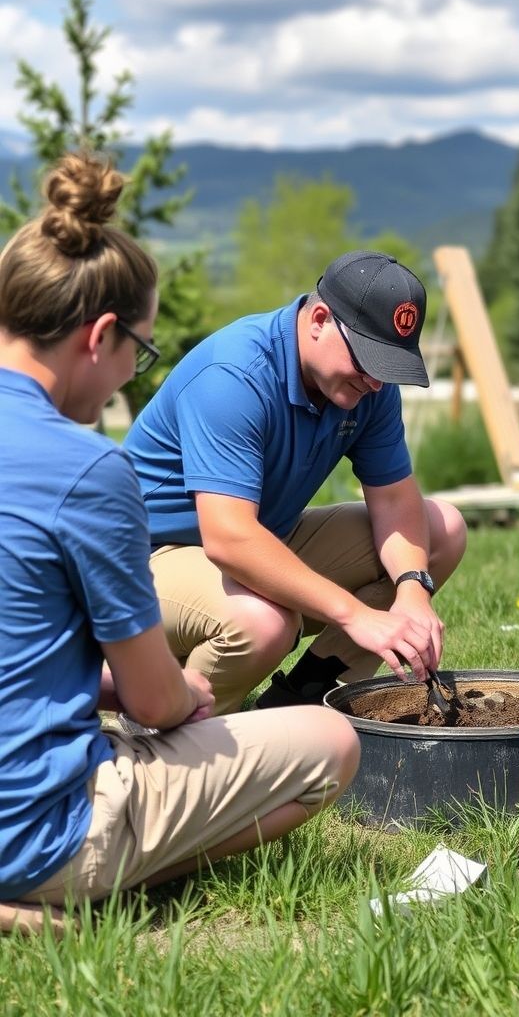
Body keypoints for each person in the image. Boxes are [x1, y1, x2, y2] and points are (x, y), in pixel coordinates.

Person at [0, 152, 359, 935]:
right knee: (331, 746)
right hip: (33, 836)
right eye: (143, 351)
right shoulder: (88, 470)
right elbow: (156, 702)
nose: (135, 372)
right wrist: (183, 698)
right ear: (101, 336)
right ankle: (83, 897)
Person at [123, 250, 467, 714]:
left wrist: (411, 592)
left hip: (256, 540)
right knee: (264, 622)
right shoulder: (234, 375)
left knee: (442, 528)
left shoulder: (368, 386)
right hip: (139, 565)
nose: (377, 382)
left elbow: (395, 501)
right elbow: (229, 540)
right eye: (368, 359)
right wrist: (356, 615)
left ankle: (299, 703)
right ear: (319, 319)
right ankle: (171, 729)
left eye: (389, 365)